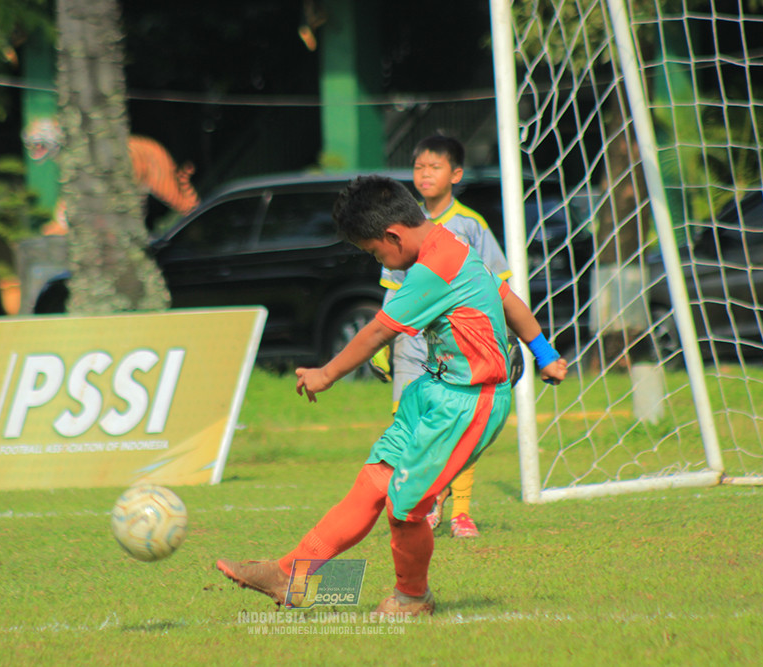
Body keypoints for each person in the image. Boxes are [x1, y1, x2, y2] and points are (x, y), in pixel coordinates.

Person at [216, 175, 568, 617]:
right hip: (433, 391)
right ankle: (291, 575)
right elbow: (507, 297)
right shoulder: (450, 244)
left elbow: (379, 329)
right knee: (372, 484)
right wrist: (544, 352)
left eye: (375, 252)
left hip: (467, 404)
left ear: (392, 235)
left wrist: (327, 373)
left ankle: (413, 598)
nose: (380, 261)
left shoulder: (432, 269)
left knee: (404, 510)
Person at [379, 134, 511, 539]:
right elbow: (393, 290)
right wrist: (383, 344)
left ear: (455, 174)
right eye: (419, 167)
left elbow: (496, 286)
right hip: (411, 343)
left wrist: (513, 339)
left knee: (460, 420)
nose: (425, 174)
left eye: (434, 167)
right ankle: (427, 502)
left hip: (457, 342)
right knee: (413, 423)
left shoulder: (471, 225)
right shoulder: (402, 227)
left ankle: (461, 512)